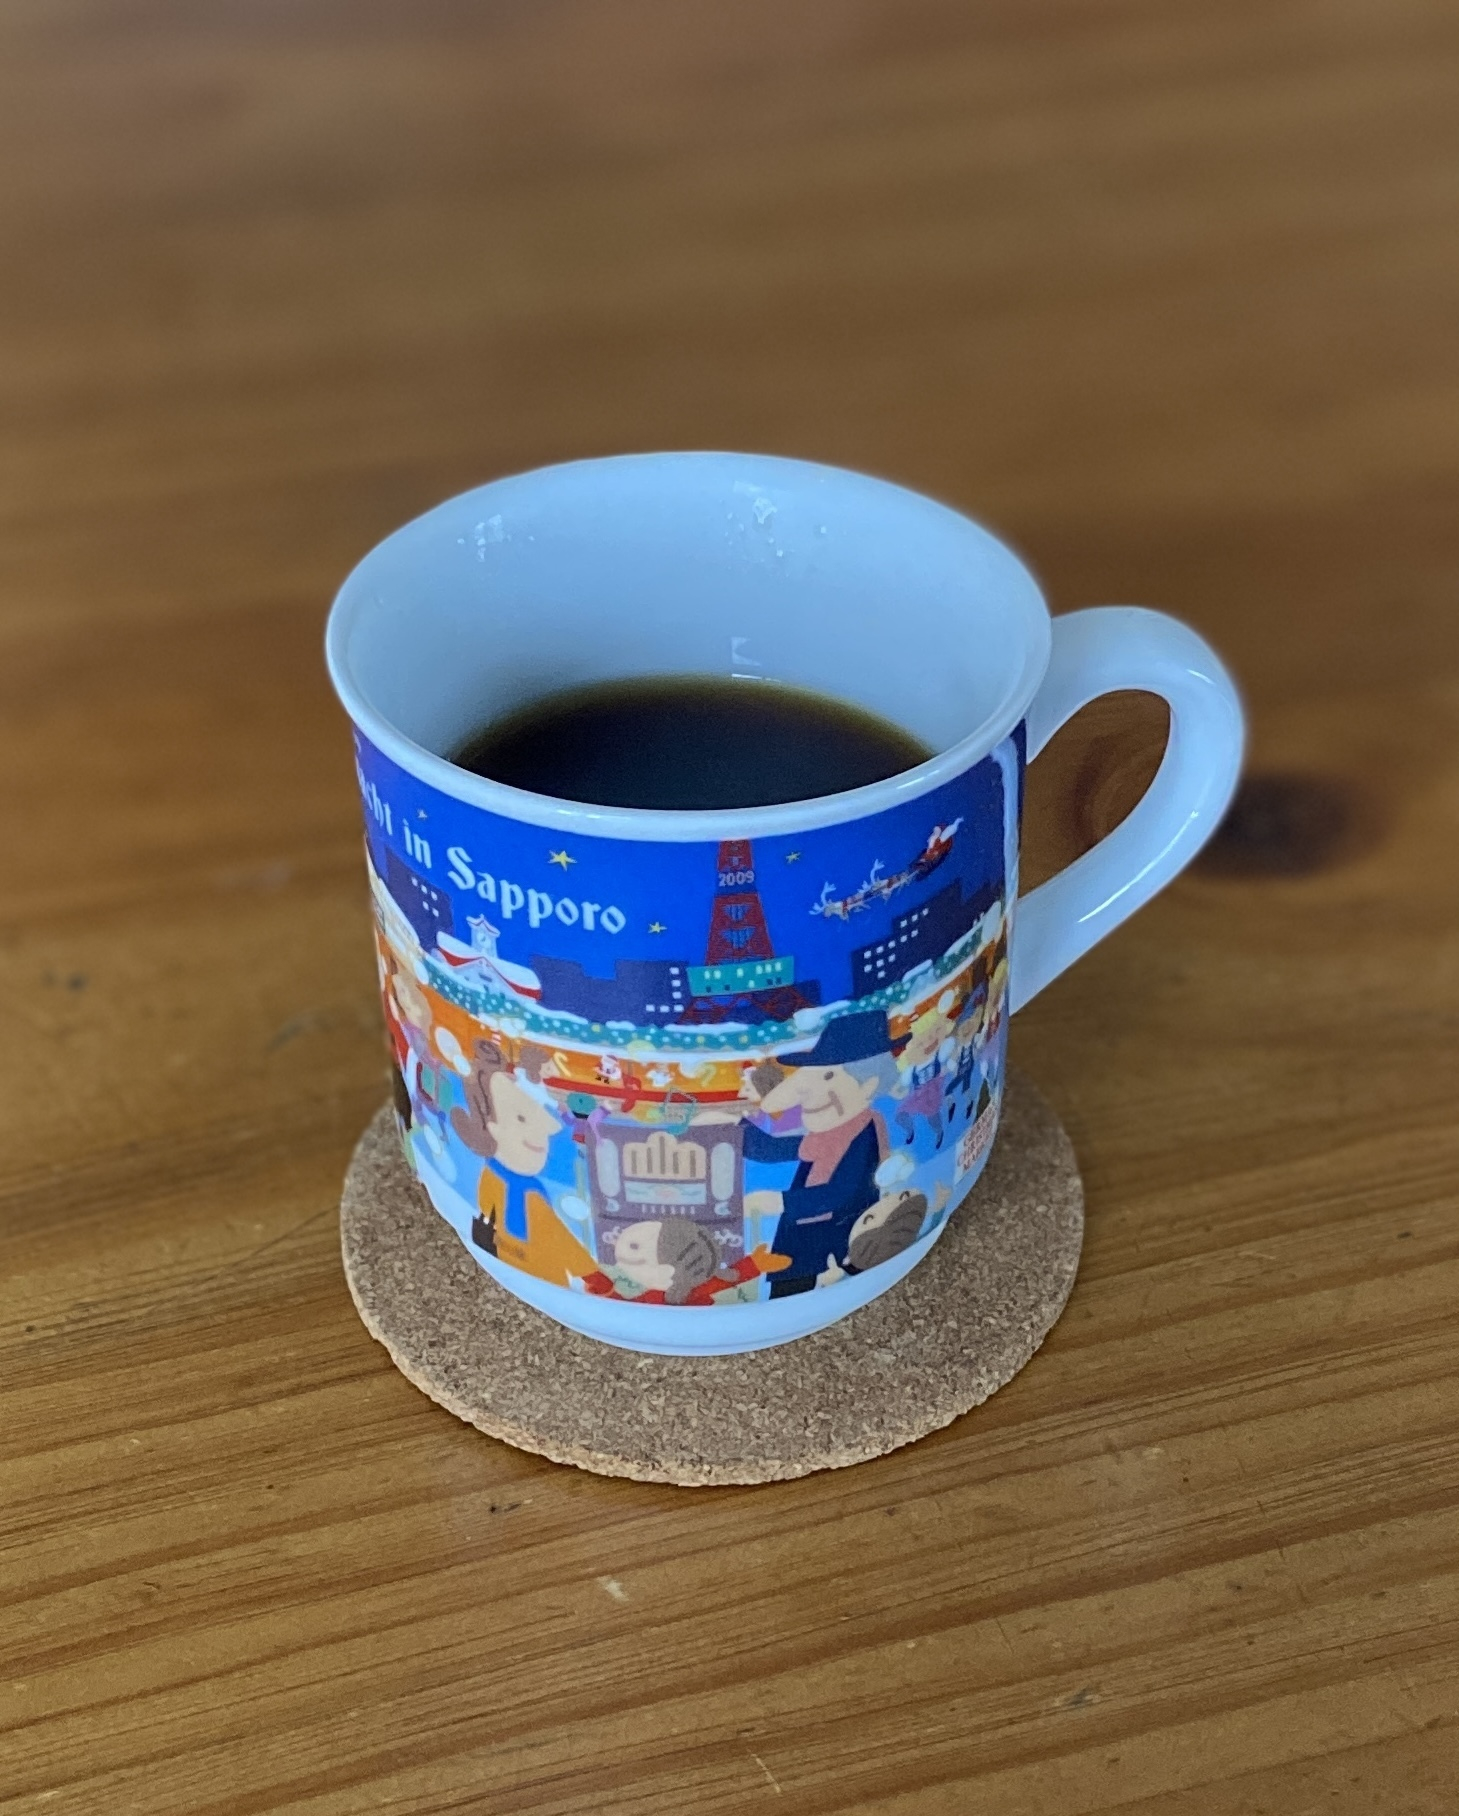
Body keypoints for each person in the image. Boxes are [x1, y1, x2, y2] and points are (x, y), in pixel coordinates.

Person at [730, 1010, 898, 1299]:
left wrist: (780, 1201)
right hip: (804, 1242)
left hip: (830, 1243)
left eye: (828, 1076)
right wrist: (733, 1127)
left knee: (796, 1295)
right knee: (789, 1293)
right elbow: (774, 1150)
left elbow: (843, 1192)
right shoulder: (833, 1132)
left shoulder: (863, 1134)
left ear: (869, 1083)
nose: (806, 1096)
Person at [451, 1039, 597, 1287]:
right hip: (531, 1265)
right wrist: (589, 1273)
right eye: (521, 1119)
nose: (548, 1130)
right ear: (491, 1127)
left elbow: (555, 1235)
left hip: (529, 1265)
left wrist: (587, 1271)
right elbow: (556, 1236)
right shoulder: (520, 1189)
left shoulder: (504, 1181)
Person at [580, 1217, 790, 1305]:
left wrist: (602, 1286)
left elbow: (625, 1310)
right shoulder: (659, 1296)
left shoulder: (656, 1298)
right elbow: (724, 1279)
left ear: (666, 1271)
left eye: (634, 1248)